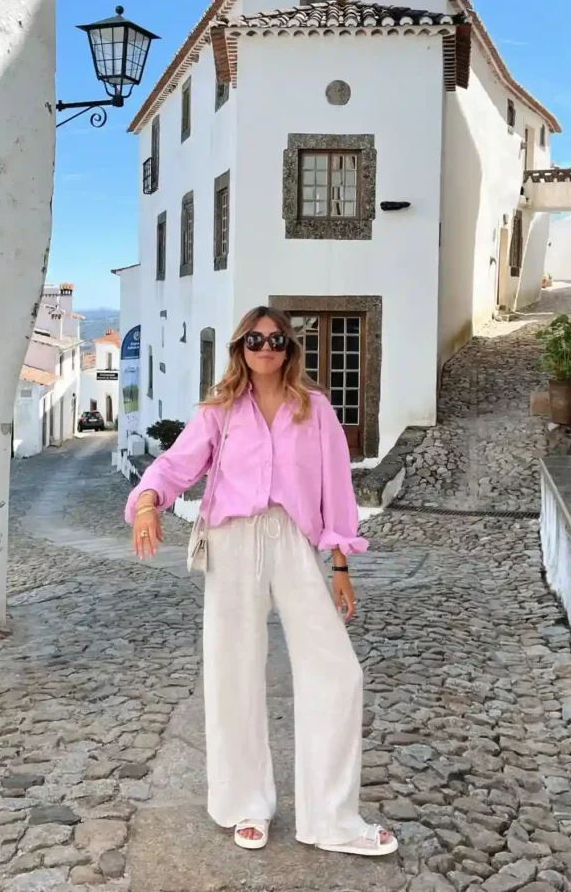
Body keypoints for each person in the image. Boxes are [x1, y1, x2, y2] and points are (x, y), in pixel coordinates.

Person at [125, 306, 397, 857]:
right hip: (232, 542)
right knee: (234, 672)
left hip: (294, 541)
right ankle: (245, 803)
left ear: (290, 349)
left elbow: (336, 489)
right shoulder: (218, 411)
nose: (267, 347)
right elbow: (177, 467)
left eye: (276, 339)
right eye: (255, 339)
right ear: (240, 348)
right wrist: (150, 502)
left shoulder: (314, 409)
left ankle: (331, 819)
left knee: (338, 672)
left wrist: (341, 562)